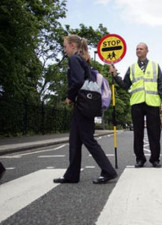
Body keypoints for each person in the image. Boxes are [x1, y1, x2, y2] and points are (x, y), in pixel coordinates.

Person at [53, 34, 117, 184]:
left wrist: (70, 96)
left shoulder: (74, 59)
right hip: (85, 104)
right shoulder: (82, 60)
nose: (64, 49)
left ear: (73, 46)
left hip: (82, 105)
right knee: (74, 140)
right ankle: (72, 174)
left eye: (65, 46)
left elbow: (77, 81)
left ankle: (108, 171)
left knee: (88, 140)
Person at [109, 42, 162, 168]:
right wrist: (115, 75)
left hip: (152, 103)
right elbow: (125, 85)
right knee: (138, 133)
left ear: (147, 50)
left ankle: (155, 159)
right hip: (137, 103)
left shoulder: (155, 66)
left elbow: (161, 84)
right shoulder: (132, 67)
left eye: (141, 48)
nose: (138, 50)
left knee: (154, 133)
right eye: (137, 49)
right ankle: (140, 159)